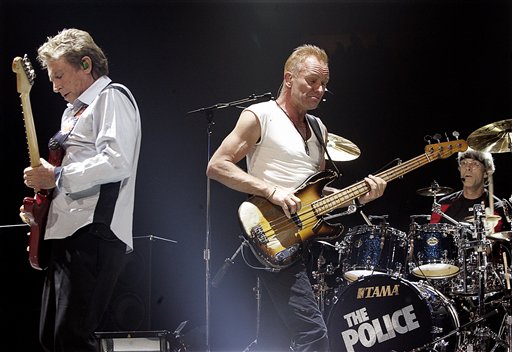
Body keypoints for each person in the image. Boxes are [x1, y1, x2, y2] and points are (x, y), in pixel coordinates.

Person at [206, 44, 387, 351]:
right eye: (312, 81)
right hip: (271, 234)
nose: (319, 90)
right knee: (314, 335)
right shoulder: (260, 115)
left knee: (274, 340)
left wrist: (357, 198)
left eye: (324, 84)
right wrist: (271, 190)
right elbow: (217, 166)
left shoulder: (319, 128)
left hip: (304, 240)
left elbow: (316, 193)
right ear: (289, 78)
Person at [19, 28, 141, 352]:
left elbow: (117, 162)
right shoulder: (71, 112)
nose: (55, 86)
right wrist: (41, 204)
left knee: (71, 339)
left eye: (59, 76)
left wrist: (56, 175)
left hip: (94, 233)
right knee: (51, 338)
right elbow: (67, 175)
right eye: (51, 79)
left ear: (86, 65)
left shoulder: (112, 97)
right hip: (65, 235)